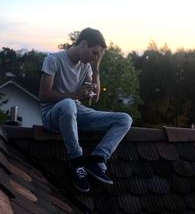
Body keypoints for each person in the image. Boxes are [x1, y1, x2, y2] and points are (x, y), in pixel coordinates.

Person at [39, 27, 132, 192]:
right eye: (95, 53)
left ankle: (97, 158)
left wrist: (96, 69)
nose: (96, 58)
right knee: (68, 104)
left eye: (99, 55)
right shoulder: (53, 60)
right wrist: (74, 95)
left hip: (76, 112)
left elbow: (94, 98)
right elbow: (44, 95)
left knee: (124, 119)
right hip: (52, 115)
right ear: (83, 44)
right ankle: (76, 161)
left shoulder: (87, 66)